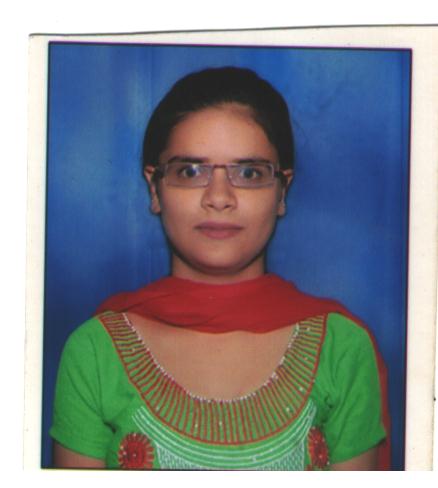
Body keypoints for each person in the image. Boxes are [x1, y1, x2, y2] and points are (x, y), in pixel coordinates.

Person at [50, 66, 390, 470]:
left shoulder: (340, 348)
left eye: (249, 173)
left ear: (282, 191)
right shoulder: (95, 352)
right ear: (154, 188)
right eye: (190, 171)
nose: (218, 197)